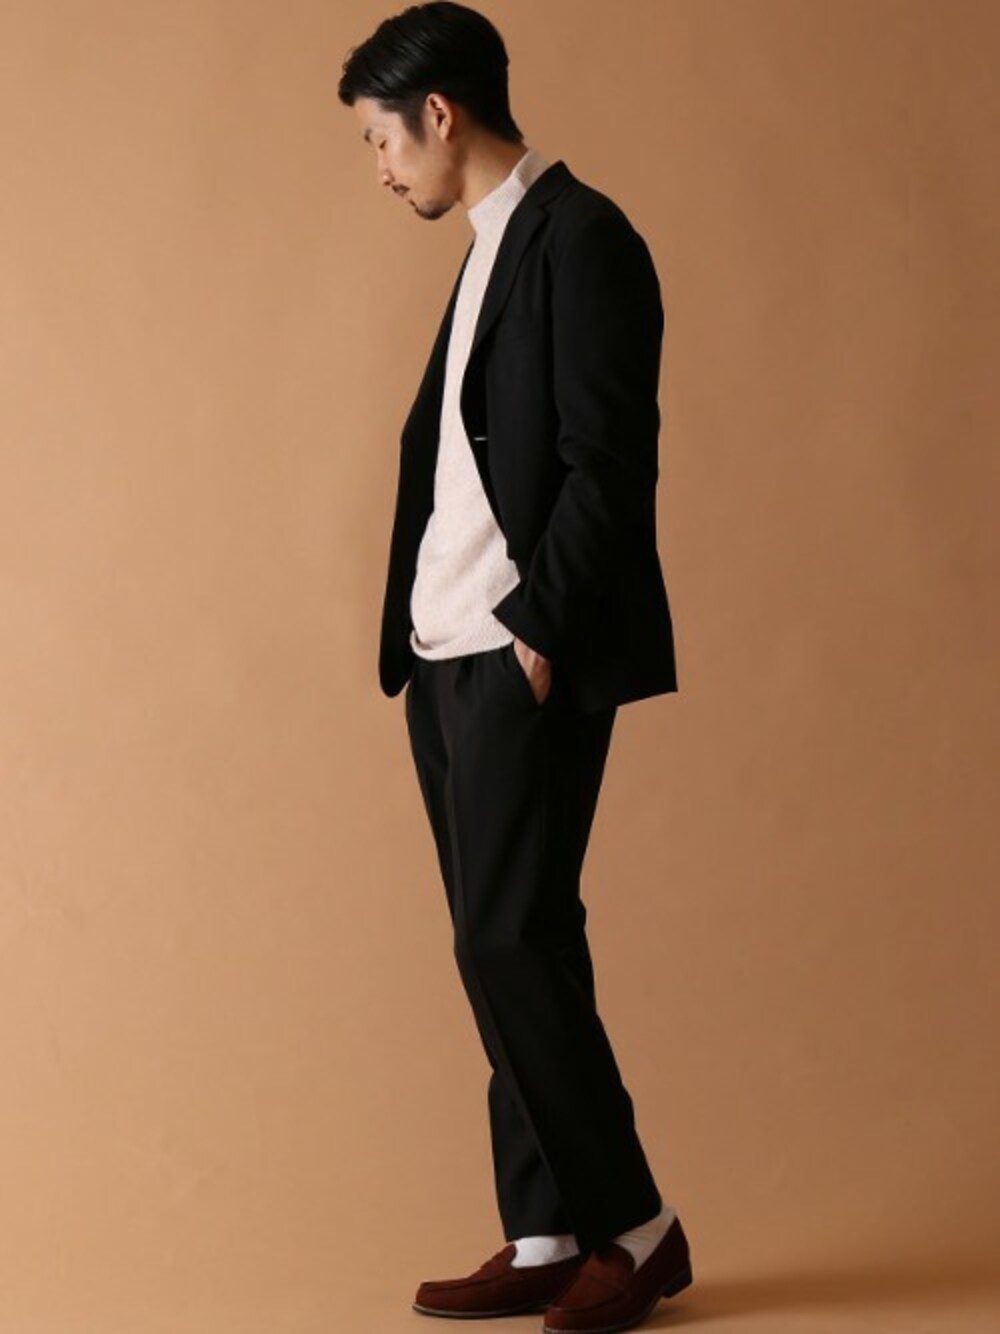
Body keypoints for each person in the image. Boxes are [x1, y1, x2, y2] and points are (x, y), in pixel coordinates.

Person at [338, 5, 692, 1330]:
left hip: (514, 653)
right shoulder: (494, 244)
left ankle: (636, 1229)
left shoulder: (583, 239)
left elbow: (612, 463)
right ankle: (544, 1226)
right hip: (445, 661)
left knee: (512, 937)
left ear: (439, 113)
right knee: (502, 946)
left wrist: (537, 634)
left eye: (382, 140)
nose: (382, 169)